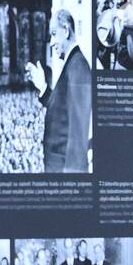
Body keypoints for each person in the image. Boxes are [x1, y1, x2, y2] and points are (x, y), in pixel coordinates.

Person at [29, 9, 91, 173]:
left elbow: (78, 130)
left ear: (66, 29)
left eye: (54, 34)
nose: (51, 42)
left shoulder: (79, 67)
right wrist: (42, 87)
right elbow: (62, 110)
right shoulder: (73, 64)